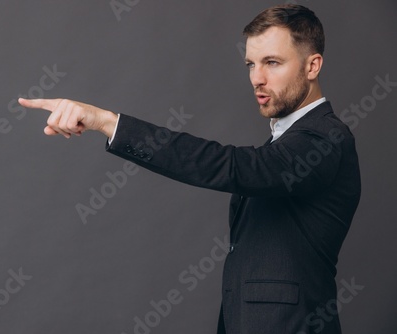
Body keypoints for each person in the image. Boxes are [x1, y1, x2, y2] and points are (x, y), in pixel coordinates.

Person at [19, 4, 361, 333]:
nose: (257, 78)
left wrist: (108, 123)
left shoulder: (326, 138)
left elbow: (236, 167)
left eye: (272, 62)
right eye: (250, 64)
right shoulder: (284, 142)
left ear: (312, 66)